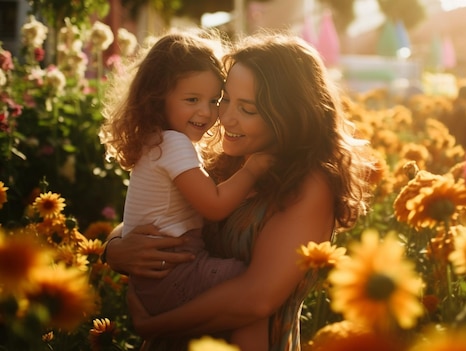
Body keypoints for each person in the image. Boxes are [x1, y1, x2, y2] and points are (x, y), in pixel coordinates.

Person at [102, 32, 375, 351]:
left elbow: (256, 301)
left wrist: (153, 326)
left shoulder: (309, 185)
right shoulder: (231, 160)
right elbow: (157, 218)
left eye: (247, 109)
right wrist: (116, 249)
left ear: (288, 115)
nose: (224, 117)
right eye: (225, 100)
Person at [98, 29, 273, 347]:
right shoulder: (173, 142)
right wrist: (255, 168)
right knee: (248, 285)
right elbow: (215, 205)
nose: (206, 113)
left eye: (214, 100)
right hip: (174, 271)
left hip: (157, 278)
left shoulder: (158, 141)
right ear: (157, 98)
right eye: (192, 100)